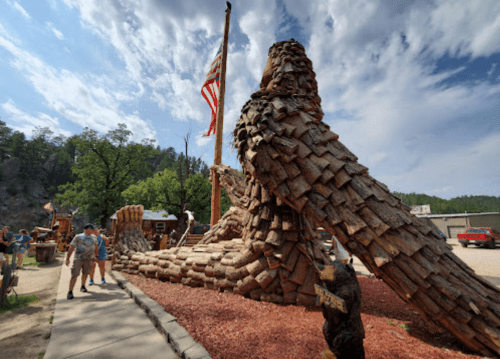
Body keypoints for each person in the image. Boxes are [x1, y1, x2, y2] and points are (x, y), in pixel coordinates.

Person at [65, 224, 98, 300]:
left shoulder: (94, 237)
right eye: (91, 229)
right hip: (78, 258)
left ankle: (83, 286)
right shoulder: (78, 236)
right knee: (74, 274)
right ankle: (70, 291)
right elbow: (72, 247)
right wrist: (68, 258)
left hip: (89, 258)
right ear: (86, 229)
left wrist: (96, 256)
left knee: (86, 273)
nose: (93, 231)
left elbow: (96, 247)